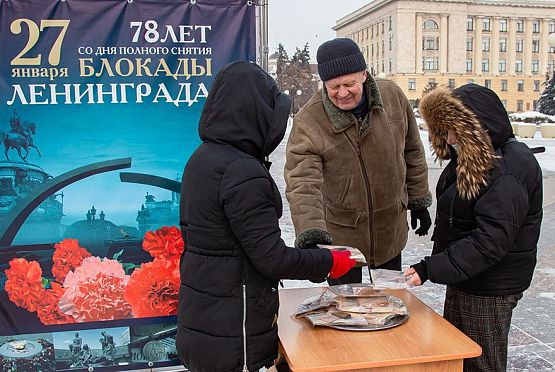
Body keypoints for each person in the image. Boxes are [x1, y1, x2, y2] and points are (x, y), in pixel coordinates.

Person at [176, 61, 356, 372]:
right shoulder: (241, 172)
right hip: (234, 331)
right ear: (256, 114)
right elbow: (271, 259)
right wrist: (331, 261)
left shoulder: (202, 158)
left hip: (206, 320)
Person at [404, 84, 543, 371]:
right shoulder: (474, 157)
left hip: (489, 287)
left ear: (479, 126)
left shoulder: (507, 169)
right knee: (458, 356)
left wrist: (430, 268)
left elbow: (489, 241)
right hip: (467, 277)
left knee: (480, 363)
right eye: (445, 130)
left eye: (455, 129)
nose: (450, 138)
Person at [284, 38, 432, 284]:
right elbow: (302, 182)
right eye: (333, 86)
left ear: (364, 74)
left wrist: (417, 200)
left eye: (349, 83)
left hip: (389, 229)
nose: (342, 93)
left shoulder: (392, 96)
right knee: (345, 313)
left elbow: (412, 150)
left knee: (388, 306)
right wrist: (310, 234)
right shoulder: (309, 121)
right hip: (342, 236)